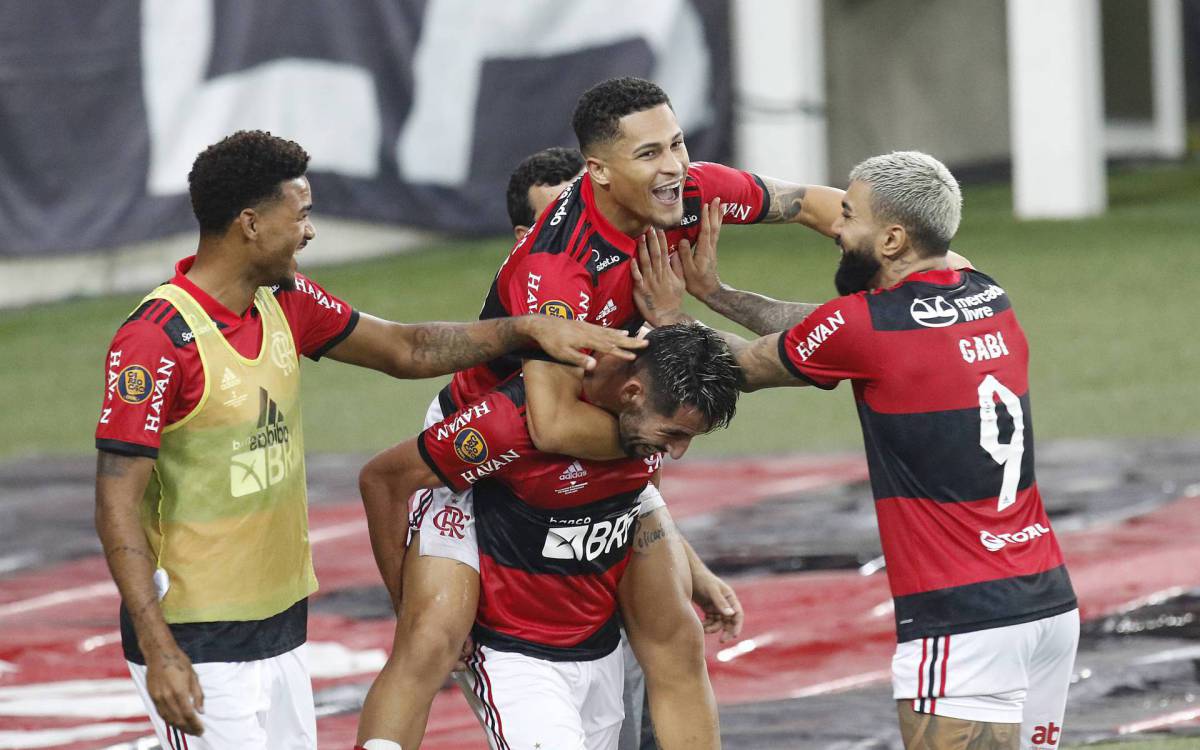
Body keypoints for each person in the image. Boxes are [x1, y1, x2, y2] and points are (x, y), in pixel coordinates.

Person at [93, 130, 645, 750]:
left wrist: (523, 329)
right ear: (251, 223)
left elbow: (405, 348)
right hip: (196, 639)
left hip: (280, 626)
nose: (309, 231)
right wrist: (159, 646)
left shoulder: (285, 301)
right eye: (300, 214)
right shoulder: (157, 339)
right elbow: (117, 499)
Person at [396, 76, 842, 750]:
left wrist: (911, 271)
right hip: (497, 441)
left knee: (674, 642)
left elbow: (817, 203)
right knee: (431, 641)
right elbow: (550, 425)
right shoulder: (558, 266)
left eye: (679, 144)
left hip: (613, 418)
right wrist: (662, 436)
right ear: (598, 171)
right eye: (649, 154)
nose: (673, 167)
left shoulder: (688, 191)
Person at [633, 151, 1079, 750]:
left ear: (892, 238)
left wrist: (669, 318)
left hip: (963, 618)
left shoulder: (866, 327)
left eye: (849, 215)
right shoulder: (986, 292)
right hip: (1048, 602)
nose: (838, 229)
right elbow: (828, 326)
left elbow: (745, 364)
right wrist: (717, 292)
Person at [357, 323, 741, 750]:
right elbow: (383, 480)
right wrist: (404, 601)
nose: (676, 451)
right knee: (426, 639)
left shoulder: (641, 435)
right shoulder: (508, 426)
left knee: (679, 636)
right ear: (632, 393)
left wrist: (694, 568)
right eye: (674, 435)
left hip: (596, 650)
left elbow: (642, 496)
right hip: (517, 656)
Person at [510, 147, 745, 750]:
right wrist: (423, 608)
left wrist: (689, 566)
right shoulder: (506, 389)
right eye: (559, 221)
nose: (590, 243)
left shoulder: (640, 333)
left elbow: (645, 469)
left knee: (658, 676)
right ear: (525, 239)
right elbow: (397, 477)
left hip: (608, 558)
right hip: (525, 616)